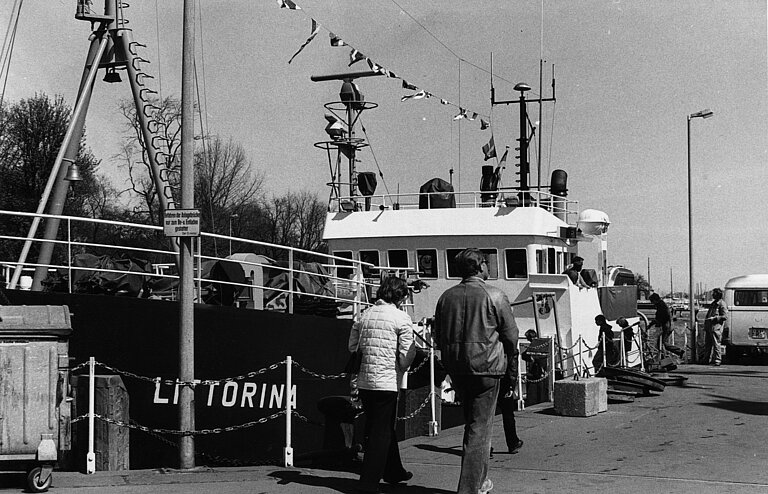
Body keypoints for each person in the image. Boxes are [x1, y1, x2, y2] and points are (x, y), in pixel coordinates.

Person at [434, 248, 519, 494]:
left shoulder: (446, 297)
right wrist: (508, 357)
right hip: (487, 368)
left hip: (457, 367)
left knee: (472, 424)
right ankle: (470, 488)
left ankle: (481, 482)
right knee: (479, 428)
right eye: (486, 263)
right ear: (480, 266)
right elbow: (511, 337)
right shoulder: (494, 295)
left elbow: (439, 335)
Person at [348, 276, 416, 493]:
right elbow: (405, 357)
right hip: (386, 382)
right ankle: (368, 482)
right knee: (381, 431)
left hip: (365, 381)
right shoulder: (402, 318)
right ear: (399, 296)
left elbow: (352, 347)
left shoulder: (364, 315)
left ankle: (394, 471)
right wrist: (403, 363)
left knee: (380, 425)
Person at [648, 293, 685, 358]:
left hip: (667, 325)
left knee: (660, 342)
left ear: (655, 300)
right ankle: (677, 352)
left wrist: (655, 323)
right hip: (669, 325)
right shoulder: (662, 305)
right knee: (662, 342)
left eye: (652, 301)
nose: (652, 303)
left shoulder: (661, 306)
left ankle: (664, 357)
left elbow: (662, 316)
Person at [703, 288, 728, 366]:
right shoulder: (713, 303)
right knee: (708, 344)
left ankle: (717, 360)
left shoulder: (722, 304)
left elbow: (725, 316)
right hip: (709, 327)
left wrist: (714, 318)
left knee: (716, 344)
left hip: (716, 327)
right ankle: (706, 359)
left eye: (714, 293)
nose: (712, 295)